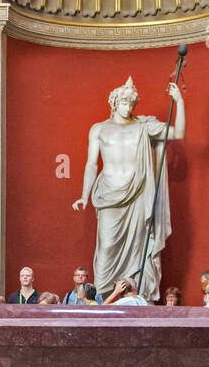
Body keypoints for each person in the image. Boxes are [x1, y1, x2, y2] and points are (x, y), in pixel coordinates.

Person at [73, 76, 185, 301]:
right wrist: (84, 195)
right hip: (108, 195)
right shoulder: (99, 129)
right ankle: (106, 298)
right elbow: (92, 164)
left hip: (139, 195)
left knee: (139, 251)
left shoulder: (145, 126)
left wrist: (179, 101)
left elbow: (178, 133)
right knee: (106, 248)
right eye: (124, 102)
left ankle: (138, 297)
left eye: (132, 103)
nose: (128, 107)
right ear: (114, 102)